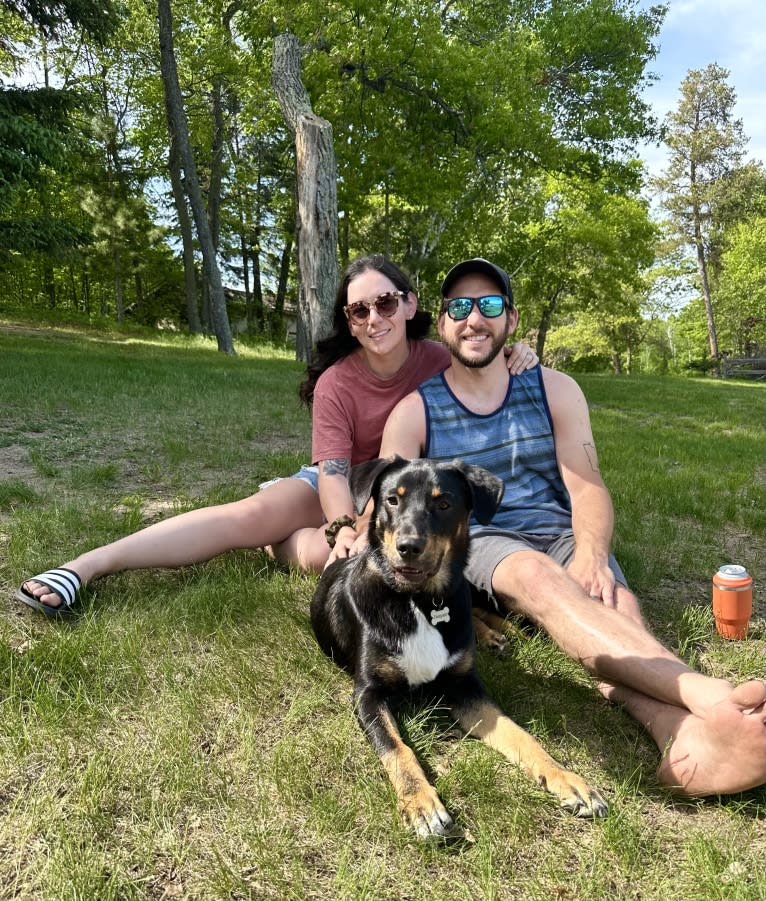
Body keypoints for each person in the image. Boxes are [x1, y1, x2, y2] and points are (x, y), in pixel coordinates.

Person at [378, 256, 766, 798]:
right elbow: (389, 508)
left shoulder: (554, 389)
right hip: (487, 541)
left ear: (510, 320)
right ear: (442, 324)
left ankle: (683, 737)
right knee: (539, 578)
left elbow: (587, 486)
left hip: (560, 531)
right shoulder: (415, 411)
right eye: (460, 307)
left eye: (489, 305)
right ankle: (706, 695)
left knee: (616, 606)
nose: (474, 319)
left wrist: (590, 551)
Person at [15, 254, 537, 618]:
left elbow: (482, 353)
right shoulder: (337, 383)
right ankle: (86, 567)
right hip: (333, 488)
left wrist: (519, 354)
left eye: (384, 303)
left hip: (404, 499)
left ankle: (277, 546)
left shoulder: (437, 357)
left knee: (325, 561)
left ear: (408, 304)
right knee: (245, 519)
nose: (374, 318)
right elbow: (334, 473)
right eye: (359, 311)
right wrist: (345, 529)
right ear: (348, 322)